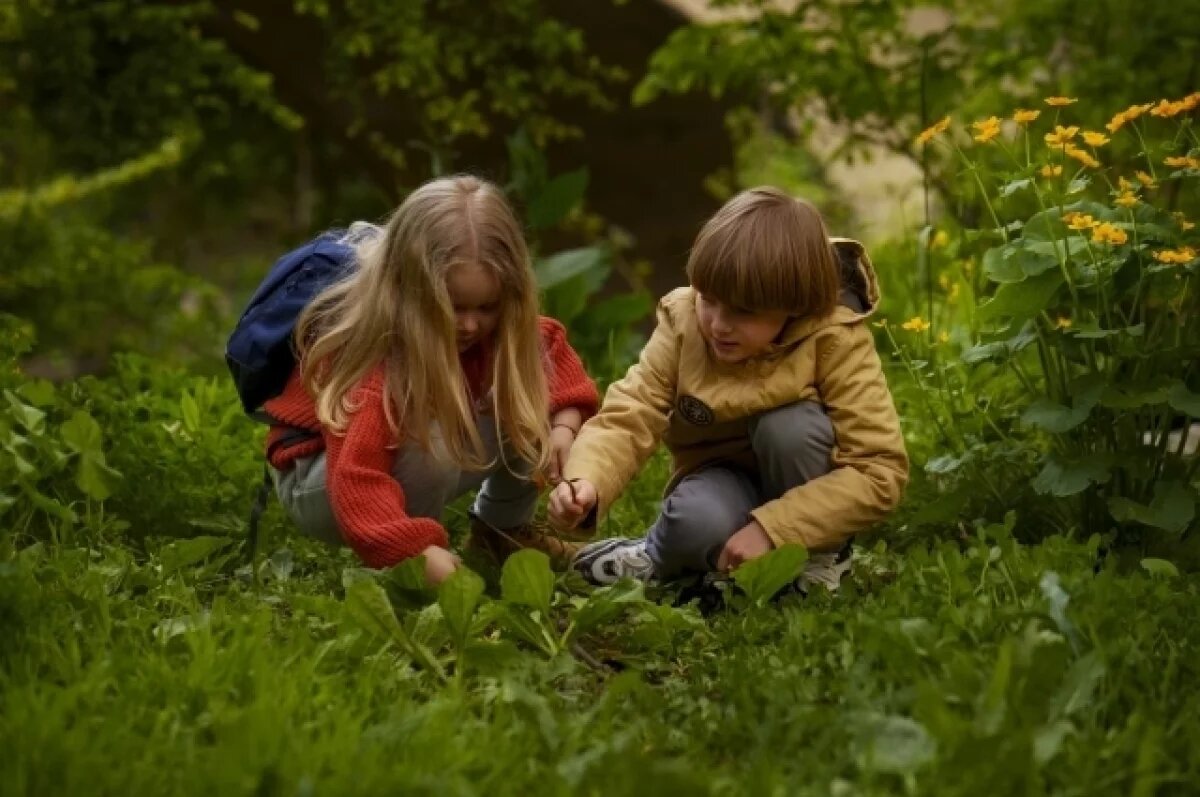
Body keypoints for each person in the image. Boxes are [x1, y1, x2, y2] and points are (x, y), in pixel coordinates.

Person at [548, 186, 908, 593]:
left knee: (789, 427)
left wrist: (775, 530)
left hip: (808, 484)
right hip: (721, 478)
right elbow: (632, 411)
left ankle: (820, 560)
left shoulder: (835, 336)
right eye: (710, 300)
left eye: (743, 312)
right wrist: (586, 481)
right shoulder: (683, 322)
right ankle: (654, 554)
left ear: (795, 304)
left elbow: (879, 470)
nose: (718, 324)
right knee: (695, 523)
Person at [264, 175, 598, 586]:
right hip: (325, 481)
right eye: (453, 307)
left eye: (487, 307)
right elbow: (358, 481)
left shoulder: (499, 327)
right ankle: (412, 566)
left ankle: (500, 533)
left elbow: (551, 355)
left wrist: (564, 426)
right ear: (411, 290)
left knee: (527, 396)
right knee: (431, 446)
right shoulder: (380, 359)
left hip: (394, 453)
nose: (472, 324)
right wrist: (418, 554)